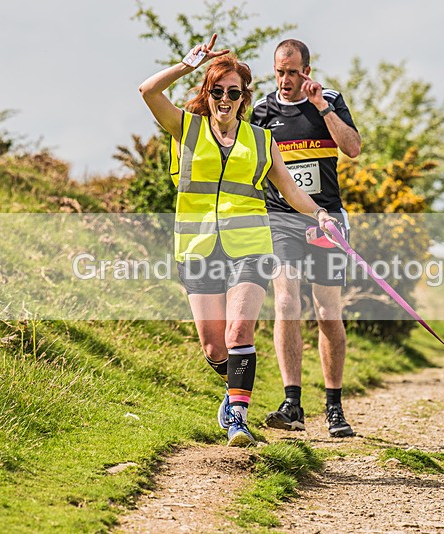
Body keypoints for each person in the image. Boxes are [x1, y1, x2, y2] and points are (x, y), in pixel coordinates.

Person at [139, 34, 338, 447]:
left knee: (239, 332)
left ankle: (238, 419)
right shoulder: (186, 130)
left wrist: (319, 214)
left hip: (250, 247)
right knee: (215, 347)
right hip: (197, 249)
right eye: (218, 91)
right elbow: (148, 91)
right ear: (208, 94)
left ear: (244, 98)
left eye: (234, 92)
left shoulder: (261, 140)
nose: (225, 98)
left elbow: (289, 189)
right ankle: (234, 388)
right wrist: (187, 65)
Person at [250, 39, 362, 438]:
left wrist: (322, 107)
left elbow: (352, 148)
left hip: (326, 220)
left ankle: (334, 406)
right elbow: (249, 166)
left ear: (307, 71)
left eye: (292, 72)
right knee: (285, 300)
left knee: (327, 312)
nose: (284, 80)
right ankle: (292, 402)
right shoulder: (262, 112)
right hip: (281, 218)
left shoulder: (328, 100)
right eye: (279, 71)